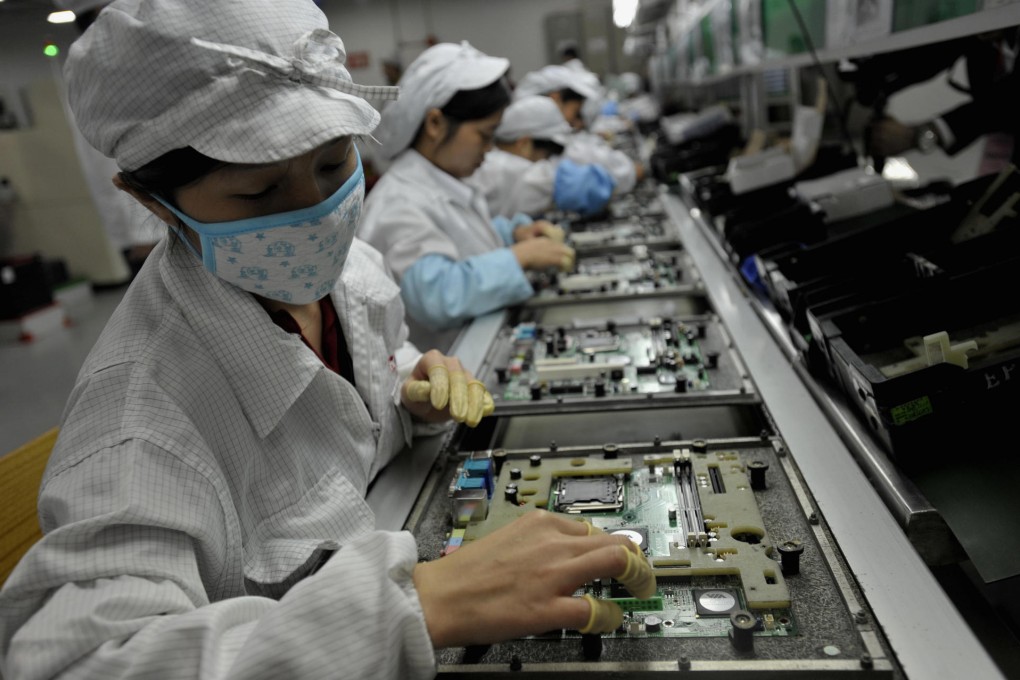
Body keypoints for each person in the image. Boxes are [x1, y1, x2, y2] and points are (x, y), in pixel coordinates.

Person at [0, 2, 654, 680]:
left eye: (335, 162)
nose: (313, 212)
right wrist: (405, 608)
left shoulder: (350, 269)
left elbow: (343, 417)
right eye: (258, 191)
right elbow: (76, 663)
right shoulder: (138, 425)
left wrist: (408, 396)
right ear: (150, 201)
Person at [357, 42, 576, 352]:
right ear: (435, 124)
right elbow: (437, 295)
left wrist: (512, 234)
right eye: (485, 136)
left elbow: (460, 240)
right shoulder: (398, 202)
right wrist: (520, 257)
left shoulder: (443, 180)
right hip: (442, 365)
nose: (489, 149)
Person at [866, 28, 1019, 177]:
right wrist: (879, 76)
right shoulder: (986, 43)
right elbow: (939, 53)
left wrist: (922, 134)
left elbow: (1005, 103)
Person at [469, 94, 615, 218]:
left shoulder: (495, 163)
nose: (545, 163)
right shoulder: (503, 170)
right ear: (524, 144)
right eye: (546, 156)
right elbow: (560, 183)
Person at [514, 64, 643, 195]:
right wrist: (628, 172)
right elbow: (575, 155)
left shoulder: (536, 126)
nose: (577, 122)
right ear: (555, 98)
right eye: (576, 111)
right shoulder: (537, 134)